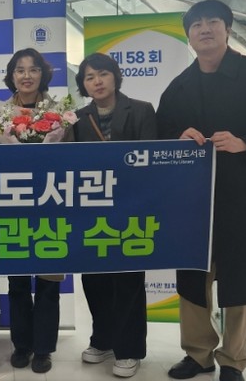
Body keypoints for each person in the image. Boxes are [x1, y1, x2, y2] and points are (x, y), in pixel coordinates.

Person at [156, 0, 246, 381]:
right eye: (196, 25)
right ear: (189, 37)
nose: (205, 29)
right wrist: (177, 137)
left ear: (228, 29)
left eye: (213, 22)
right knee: (192, 280)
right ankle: (198, 354)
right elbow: (161, 134)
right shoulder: (178, 87)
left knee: (242, 279)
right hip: (194, 201)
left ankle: (234, 359)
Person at [62, 52, 155, 378]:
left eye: (102, 74)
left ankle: (129, 349)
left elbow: (150, 160)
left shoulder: (141, 110)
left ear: (115, 76)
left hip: (131, 208)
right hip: (92, 211)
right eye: (89, 77)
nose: (97, 82)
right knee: (95, 279)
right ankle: (102, 340)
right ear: (83, 84)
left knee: (128, 280)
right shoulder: (76, 118)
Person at [3, 48, 62, 374]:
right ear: (12, 75)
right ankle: (22, 344)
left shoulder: (61, 113)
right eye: (20, 70)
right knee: (17, 283)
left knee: (49, 283)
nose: (26, 76)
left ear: (43, 73)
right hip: (13, 207)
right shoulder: (0, 114)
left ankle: (43, 348)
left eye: (33, 69)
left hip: (51, 206)